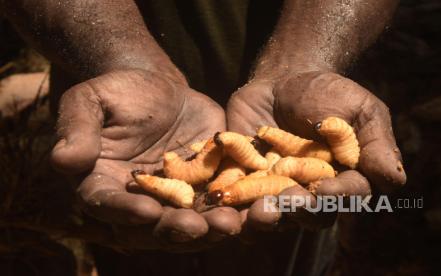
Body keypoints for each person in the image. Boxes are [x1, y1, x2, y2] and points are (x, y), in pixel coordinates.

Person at [0, 0, 406, 269]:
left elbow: (285, 165)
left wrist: (306, 61)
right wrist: (121, 59)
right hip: (127, 126)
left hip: (295, 108)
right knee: (134, 232)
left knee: (292, 233)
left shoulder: (285, 157)